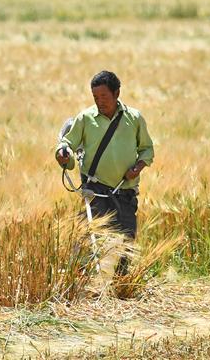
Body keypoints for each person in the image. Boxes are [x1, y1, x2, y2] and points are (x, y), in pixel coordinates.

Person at [56, 70, 155, 274]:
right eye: (95, 97)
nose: (100, 101)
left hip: (125, 192)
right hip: (96, 190)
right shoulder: (85, 118)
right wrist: (62, 153)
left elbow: (147, 149)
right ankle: (80, 282)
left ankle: (119, 287)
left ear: (117, 93)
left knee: (125, 242)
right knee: (89, 239)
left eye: (104, 96)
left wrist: (137, 168)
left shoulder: (134, 118)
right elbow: (67, 143)